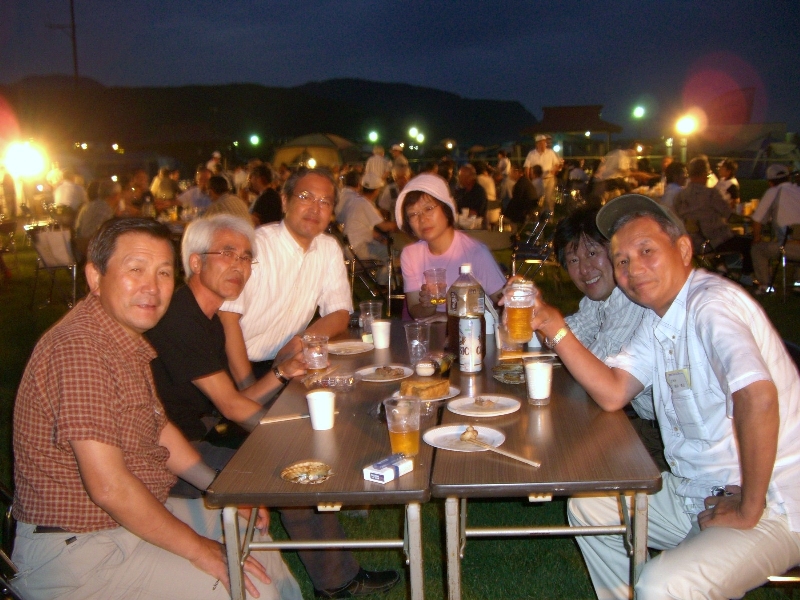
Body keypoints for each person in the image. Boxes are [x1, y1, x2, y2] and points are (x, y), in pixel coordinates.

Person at [11, 217, 302, 599]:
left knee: (251, 535)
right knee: (241, 585)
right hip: (78, 550)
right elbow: (109, 488)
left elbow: (159, 429)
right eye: (136, 270)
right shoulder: (80, 350)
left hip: (128, 520)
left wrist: (221, 490)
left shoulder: (124, 341)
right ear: (95, 277)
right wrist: (200, 550)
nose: (152, 287)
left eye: (163, 272)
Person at [528, 194, 800, 599]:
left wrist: (749, 507)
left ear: (684, 250)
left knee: (661, 584)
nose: (633, 269)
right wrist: (554, 326)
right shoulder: (660, 320)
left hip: (771, 503)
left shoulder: (711, 304)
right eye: (622, 260)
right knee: (590, 506)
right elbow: (613, 392)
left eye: (646, 251)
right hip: (696, 491)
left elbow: (758, 397)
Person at [146, 215, 399, 599]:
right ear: (195, 262)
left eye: (246, 257)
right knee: (293, 469)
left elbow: (235, 401)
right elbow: (232, 407)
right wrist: (293, 434)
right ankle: (337, 580)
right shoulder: (181, 317)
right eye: (227, 253)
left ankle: (337, 576)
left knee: (295, 460)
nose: (239, 265)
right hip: (168, 456)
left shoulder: (206, 316)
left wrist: (282, 372)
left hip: (198, 434)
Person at [551, 207, 666, 472]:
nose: (585, 268)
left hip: (661, 439)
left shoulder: (632, 301)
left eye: (592, 253)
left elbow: (599, 373)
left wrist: (552, 329)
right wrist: (546, 325)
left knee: (564, 455)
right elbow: (574, 330)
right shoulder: (600, 299)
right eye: (574, 260)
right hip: (639, 423)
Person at [219, 168, 352, 384]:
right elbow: (227, 319)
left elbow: (339, 312)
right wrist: (248, 388)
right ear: (284, 201)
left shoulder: (328, 249)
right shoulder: (256, 246)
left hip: (289, 363)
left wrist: (302, 341)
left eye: (324, 202)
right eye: (305, 197)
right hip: (238, 366)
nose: (315, 209)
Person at [396, 173, 506, 319]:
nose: (422, 219)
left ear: (446, 208)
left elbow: (504, 304)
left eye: (428, 209)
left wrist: (448, 318)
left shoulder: (474, 252)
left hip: (472, 329)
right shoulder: (411, 255)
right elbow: (415, 310)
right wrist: (428, 305)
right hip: (432, 331)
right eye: (413, 214)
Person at [674, 156, 754, 276]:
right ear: (704, 173)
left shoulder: (679, 196)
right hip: (715, 242)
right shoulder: (710, 194)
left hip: (692, 243)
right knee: (749, 242)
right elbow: (728, 214)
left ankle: (722, 268)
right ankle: (747, 277)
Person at [751, 163, 800, 294]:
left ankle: (766, 285)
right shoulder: (798, 190)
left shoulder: (774, 192)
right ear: (788, 178)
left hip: (789, 246)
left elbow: (757, 220)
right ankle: (798, 282)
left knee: (757, 249)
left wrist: (757, 237)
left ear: (770, 182)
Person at [338, 171, 397, 265]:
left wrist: (381, 239)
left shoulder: (355, 200)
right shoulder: (365, 204)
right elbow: (385, 227)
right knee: (394, 254)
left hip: (350, 248)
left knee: (386, 249)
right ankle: (384, 275)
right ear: (376, 190)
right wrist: (403, 223)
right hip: (359, 249)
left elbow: (363, 228)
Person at [75, 179, 121, 259]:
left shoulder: (89, 205)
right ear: (115, 195)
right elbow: (102, 231)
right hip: (90, 245)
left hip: (79, 244)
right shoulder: (105, 208)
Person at [523, 134, 561, 212]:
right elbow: (527, 167)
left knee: (548, 199)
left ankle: (549, 216)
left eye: (544, 143)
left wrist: (554, 170)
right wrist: (528, 180)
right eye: (541, 143)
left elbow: (557, 164)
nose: (543, 145)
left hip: (549, 179)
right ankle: (538, 215)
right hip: (537, 180)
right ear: (537, 144)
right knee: (537, 199)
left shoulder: (550, 152)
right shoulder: (531, 154)